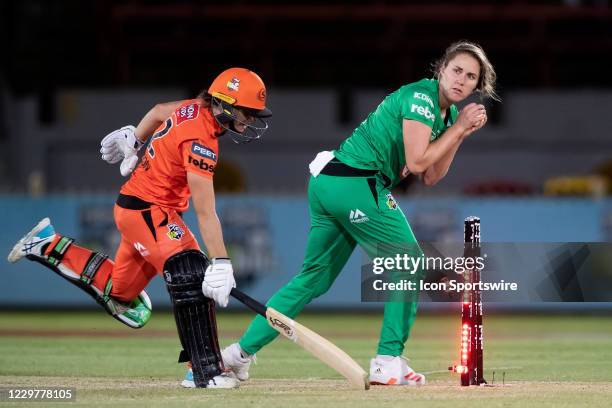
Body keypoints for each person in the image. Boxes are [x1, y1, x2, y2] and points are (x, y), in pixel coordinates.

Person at [218, 41, 499, 386]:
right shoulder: (421, 99)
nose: (461, 80)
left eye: (471, 77)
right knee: (408, 261)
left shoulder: (448, 115)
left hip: (332, 183)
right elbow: (416, 162)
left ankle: (236, 355)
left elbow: (430, 176)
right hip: (357, 183)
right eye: (457, 70)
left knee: (312, 280)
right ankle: (387, 360)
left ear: (475, 86)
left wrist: (461, 132)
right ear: (441, 69)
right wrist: (458, 130)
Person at [7, 67, 272, 389]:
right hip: (150, 211)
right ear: (226, 104)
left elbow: (161, 110)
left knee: (121, 295)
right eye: (247, 113)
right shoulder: (201, 139)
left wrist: (136, 138)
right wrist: (221, 261)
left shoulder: (195, 107)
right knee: (190, 272)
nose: (250, 121)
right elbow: (206, 212)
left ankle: (46, 244)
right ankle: (204, 370)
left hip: (137, 208)